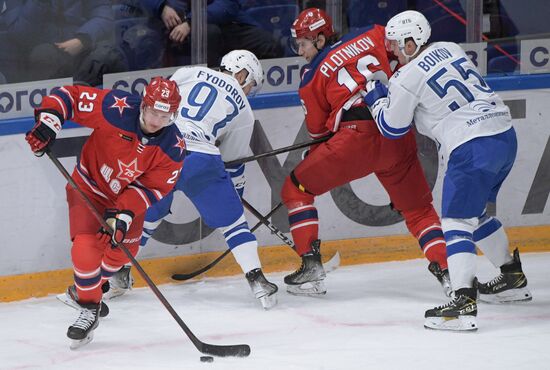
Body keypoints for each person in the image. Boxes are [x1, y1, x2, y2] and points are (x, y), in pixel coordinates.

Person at [363, 10, 531, 331]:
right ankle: (511, 276)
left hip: (469, 145)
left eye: (398, 45)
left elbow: (392, 127)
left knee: (455, 220)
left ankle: (463, 303)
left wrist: (375, 98)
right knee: (475, 211)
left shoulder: (405, 77)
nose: (394, 51)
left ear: (414, 42)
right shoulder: (452, 48)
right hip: (503, 135)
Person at [281, 8, 449, 297]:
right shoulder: (373, 33)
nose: (300, 51)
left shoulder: (310, 78)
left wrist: (317, 158)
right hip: (395, 131)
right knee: (420, 211)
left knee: (295, 190)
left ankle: (311, 268)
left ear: (321, 39)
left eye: (304, 43)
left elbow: (319, 134)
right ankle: (450, 276)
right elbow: (403, 58)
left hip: (355, 139)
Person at [25, 77, 185, 347]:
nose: (157, 121)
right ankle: (89, 308)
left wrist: (121, 215)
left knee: (122, 252)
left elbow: (152, 188)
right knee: (85, 249)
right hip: (89, 188)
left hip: (125, 200)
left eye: (165, 115)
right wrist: (50, 122)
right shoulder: (116, 108)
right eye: (153, 112)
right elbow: (69, 96)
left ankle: (88, 288)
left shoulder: (173, 147)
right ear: (143, 105)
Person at [113, 49, 278, 309]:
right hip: (202, 158)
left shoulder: (188, 72)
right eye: (251, 84)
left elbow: (158, 106)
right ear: (242, 73)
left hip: (164, 151)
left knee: (148, 215)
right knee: (234, 224)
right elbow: (232, 162)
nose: (249, 91)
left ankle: (119, 271)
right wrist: (235, 195)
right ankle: (258, 281)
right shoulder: (244, 110)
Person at [5, 0, 126, 85]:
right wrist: (39, 2)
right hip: (42, 53)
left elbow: (104, 16)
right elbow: (19, 32)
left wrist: (83, 40)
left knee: (109, 57)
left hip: (84, 47)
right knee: (43, 55)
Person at [138, 0, 283, 67]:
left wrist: (191, 22)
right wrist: (161, 7)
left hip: (224, 25)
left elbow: (228, 5)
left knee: (267, 44)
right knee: (209, 34)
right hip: (175, 31)